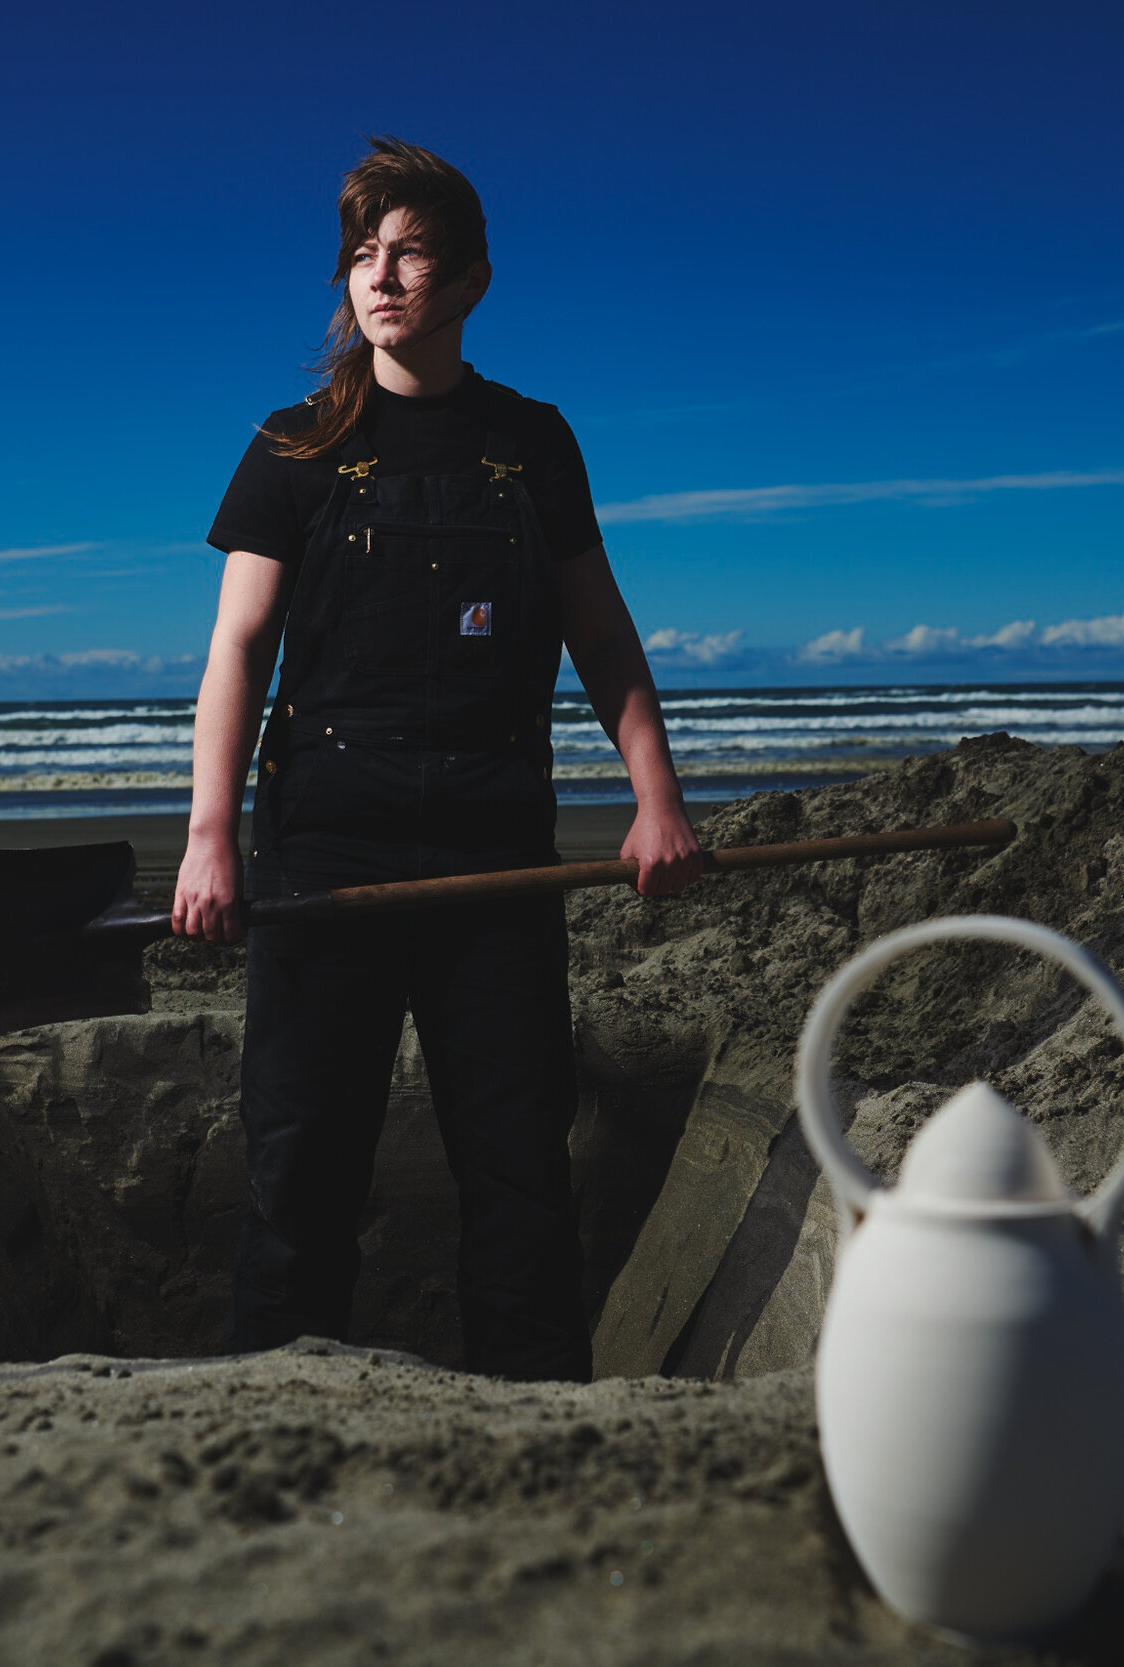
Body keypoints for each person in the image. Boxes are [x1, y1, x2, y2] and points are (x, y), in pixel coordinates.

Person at [173, 138, 699, 1382]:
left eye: (410, 254)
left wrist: (657, 799)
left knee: (519, 1175)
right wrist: (208, 837)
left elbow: (602, 636)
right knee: (300, 1169)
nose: (382, 276)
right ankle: (275, 1415)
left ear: (470, 281)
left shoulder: (532, 440)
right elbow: (238, 650)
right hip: (323, 855)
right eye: (364, 254)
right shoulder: (294, 444)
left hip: (494, 855)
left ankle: (537, 1423)